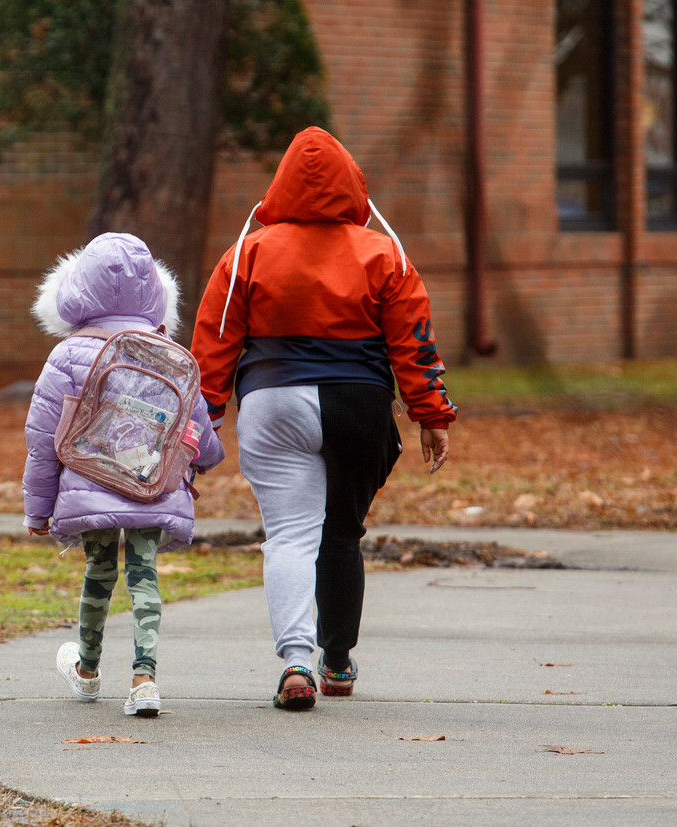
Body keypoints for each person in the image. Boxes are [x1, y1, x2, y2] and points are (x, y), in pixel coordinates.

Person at [190, 127, 456, 710]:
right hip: (357, 404)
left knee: (288, 534)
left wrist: (200, 425)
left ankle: (295, 664)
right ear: (353, 185)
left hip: (272, 400)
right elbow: (414, 341)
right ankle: (338, 660)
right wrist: (430, 414)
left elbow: (214, 345)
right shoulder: (383, 254)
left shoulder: (247, 254)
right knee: (341, 532)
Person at [23, 232, 225, 717]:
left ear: (78, 290)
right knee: (143, 573)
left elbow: (42, 440)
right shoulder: (171, 356)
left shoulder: (68, 355)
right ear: (156, 291)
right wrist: (208, 456)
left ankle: (88, 671)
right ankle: (144, 680)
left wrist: (38, 510)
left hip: (91, 487)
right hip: (152, 487)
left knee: (99, 570)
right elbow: (200, 432)